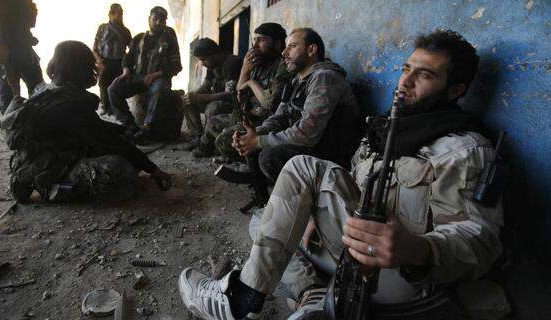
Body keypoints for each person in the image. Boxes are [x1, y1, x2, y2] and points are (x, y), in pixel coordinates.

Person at [177, 30, 504, 320]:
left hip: (401, 276)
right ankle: (312, 296)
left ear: (454, 90)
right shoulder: (385, 131)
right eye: (406, 70)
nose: (405, 81)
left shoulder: (464, 150)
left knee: (301, 168)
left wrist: (418, 249)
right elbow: (352, 184)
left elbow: (483, 241)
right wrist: (309, 217)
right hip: (351, 258)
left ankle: (242, 296)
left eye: (425, 75)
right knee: (263, 221)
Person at [0, 41, 171, 203]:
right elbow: (105, 141)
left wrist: (121, 130)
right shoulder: (68, 103)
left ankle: (30, 179)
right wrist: (152, 169)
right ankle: (50, 189)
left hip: (38, 158)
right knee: (120, 168)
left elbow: (94, 127)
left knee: (121, 142)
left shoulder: (49, 90)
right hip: (50, 166)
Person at [233, 28, 361, 189]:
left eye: (292, 46)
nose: (284, 53)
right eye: (286, 47)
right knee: (251, 143)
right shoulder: (297, 81)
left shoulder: (324, 78)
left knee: (269, 156)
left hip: (333, 155)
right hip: (313, 147)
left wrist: (260, 141)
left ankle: (310, 204)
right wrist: (255, 134)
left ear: (311, 50)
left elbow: (307, 134)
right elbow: (280, 116)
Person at [193, 23, 291, 159]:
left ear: (277, 44)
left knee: (225, 140)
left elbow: (270, 103)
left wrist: (251, 82)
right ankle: (207, 148)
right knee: (214, 123)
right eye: (254, 39)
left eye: (261, 40)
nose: (255, 45)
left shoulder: (283, 65)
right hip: (247, 118)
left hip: (265, 122)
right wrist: (245, 69)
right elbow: (238, 94)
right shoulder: (257, 64)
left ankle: (247, 164)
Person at [108, 6, 182, 141]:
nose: (159, 22)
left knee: (159, 90)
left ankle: (147, 128)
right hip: (138, 78)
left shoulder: (169, 40)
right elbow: (128, 58)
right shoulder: (138, 39)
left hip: (159, 78)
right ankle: (130, 126)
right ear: (149, 19)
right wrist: (125, 73)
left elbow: (176, 66)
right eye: (156, 19)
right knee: (113, 89)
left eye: (163, 20)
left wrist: (154, 76)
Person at [182, 38, 242, 151]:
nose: (203, 64)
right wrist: (193, 95)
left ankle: (208, 143)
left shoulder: (232, 63)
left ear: (215, 54)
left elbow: (231, 94)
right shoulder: (212, 66)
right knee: (187, 102)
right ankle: (198, 137)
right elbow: (206, 86)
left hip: (235, 105)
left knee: (213, 107)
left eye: (204, 59)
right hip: (218, 100)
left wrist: (202, 97)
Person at [93, 3, 132, 115]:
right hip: (104, 62)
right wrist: (98, 61)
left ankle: (117, 112)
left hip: (120, 63)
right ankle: (106, 108)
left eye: (121, 14)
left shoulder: (125, 31)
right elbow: (95, 48)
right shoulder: (102, 28)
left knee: (117, 89)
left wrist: (127, 65)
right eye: (118, 14)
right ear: (111, 14)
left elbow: (132, 50)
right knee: (104, 88)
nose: (120, 16)